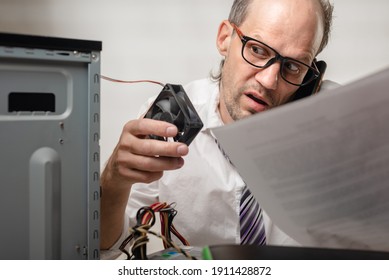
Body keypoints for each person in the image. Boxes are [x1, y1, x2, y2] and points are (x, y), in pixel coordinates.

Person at [100, 0, 335, 259]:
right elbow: (109, 246)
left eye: (293, 66)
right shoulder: (168, 122)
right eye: (257, 50)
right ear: (225, 38)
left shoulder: (334, 127)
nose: (269, 81)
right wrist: (113, 182)